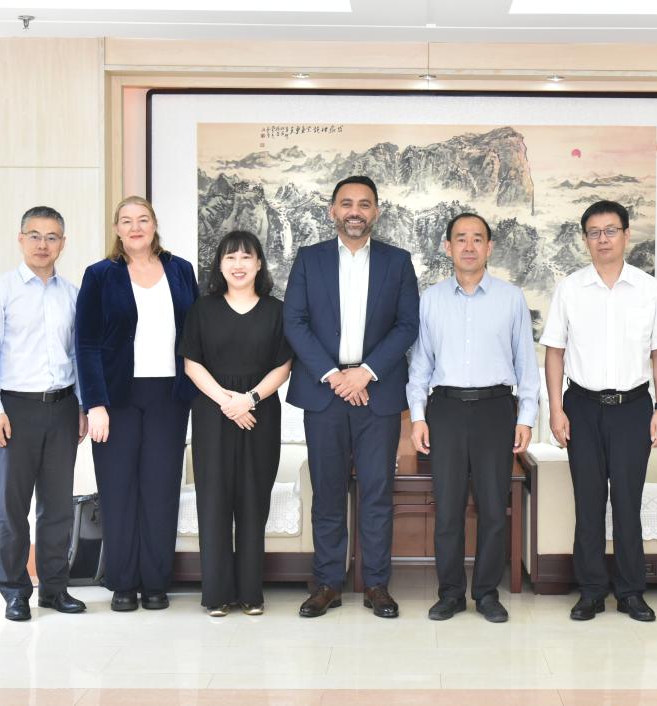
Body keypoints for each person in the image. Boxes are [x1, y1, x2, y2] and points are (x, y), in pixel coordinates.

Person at [284, 175, 419, 619]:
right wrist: (333, 375)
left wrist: (364, 373)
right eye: (347, 203)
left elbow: (407, 325)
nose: (355, 211)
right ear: (333, 211)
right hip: (324, 393)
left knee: (377, 493)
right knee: (327, 493)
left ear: (376, 211)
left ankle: (376, 584)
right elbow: (295, 322)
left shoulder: (397, 262)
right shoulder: (310, 259)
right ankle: (328, 583)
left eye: (364, 204)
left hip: (377, 392)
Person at [541, 200, 657, 622]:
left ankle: (631, 591)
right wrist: (556, 409)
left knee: (628, 502)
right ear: (586, 239)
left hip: (633, 408)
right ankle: (592, 591)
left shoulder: (647, 289)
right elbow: (555, 352)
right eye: (595, 232)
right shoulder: (570, 288)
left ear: (626, 235)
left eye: (611, 230)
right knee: (589, 502)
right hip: (582, 407)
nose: (603, 239)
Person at [407, 213, 539, 624]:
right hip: (445, 409)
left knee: (493, 508)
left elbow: (526, 362)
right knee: (447, 508)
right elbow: (420, 365)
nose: (469, 246)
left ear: (489, 247)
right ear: (448, 247)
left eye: (477, 238)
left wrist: (526, 417)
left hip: (495, 409)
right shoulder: (431, 299)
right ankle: (449, 593)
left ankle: (486, 593)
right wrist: (418, 417)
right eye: (460, 239)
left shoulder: (510, 298)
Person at [75, 195, 199, 612]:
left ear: (154, 224)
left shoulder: (180, 270)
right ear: (117, 229)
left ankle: (156, 583)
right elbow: (86, 344)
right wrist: (94, 404)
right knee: (118, 490)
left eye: (142, 219)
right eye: (126, 221)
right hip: (115, 400)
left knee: (161, 490)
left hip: (169, 396)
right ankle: (123, 583)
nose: (135, 227)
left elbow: (195, 334)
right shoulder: (99, 275)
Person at [0, 206, 88, 621]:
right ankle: (14, 591)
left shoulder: (72, 294)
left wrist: (81, 406)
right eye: (35, 235)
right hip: (15, 410)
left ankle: (55, 589)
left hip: (62, 408)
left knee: (57, 508)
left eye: (52, 236)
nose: (43, 244)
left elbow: (77, 355)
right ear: (21, 239)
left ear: (63, 243)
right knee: (13, 507)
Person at [180, 231, 293, 617]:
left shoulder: (276, 311)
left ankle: (250, 593)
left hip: (260, 415)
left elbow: (283, 366)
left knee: (253, 502)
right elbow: (191, 363)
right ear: (220, 265)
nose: (239, 264)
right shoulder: (203, 309)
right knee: (213, 502)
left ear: (259, 264)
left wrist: (250, 399)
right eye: (230, 257)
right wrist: (228, 402)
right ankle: (216, 594)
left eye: (246, 257)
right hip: (212, 414)